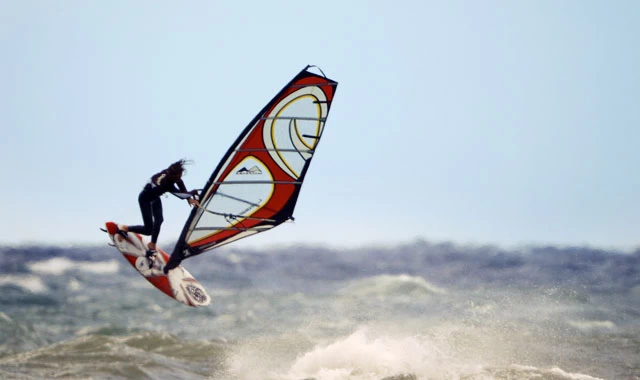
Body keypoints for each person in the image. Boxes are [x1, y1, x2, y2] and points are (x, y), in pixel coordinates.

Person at [120, 160, 199, 258]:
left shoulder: (169, 173)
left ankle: (152, 245)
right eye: (178, 176)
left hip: (154, 197)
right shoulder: (166, 183)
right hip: (144, 199)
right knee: (148, 230)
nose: (180, 178)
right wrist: (191, 193)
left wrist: (189, 198)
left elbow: (180, 183)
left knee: (159, 220)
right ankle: (125, 228)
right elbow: (180, 195)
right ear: (173, 176)